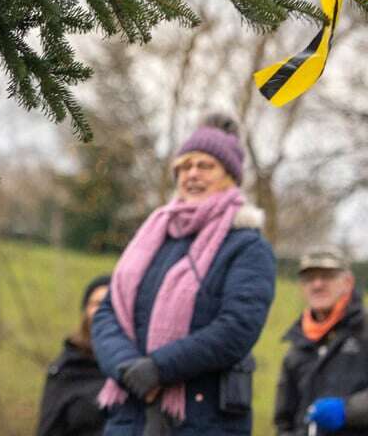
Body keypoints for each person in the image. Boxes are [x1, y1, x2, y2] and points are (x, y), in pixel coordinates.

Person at [91, 113, 276, 435]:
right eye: (184, 166)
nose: (192, 174)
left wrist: (159, 369)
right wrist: (129, 371)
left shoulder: (246, 246)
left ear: (230, 177)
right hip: (130, 416)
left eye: (205, 166)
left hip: (203, 421)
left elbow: (237, 328)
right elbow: (107, 312)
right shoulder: (151, 237)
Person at [275, 245, 368, 435]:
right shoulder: (296, 346)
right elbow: (284, 421)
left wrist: (348, 411)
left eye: (327, 276)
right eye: (309, 278)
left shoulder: (365, 330)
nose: (317, 284)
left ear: (348, 282)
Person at [35, 275, 111, 436]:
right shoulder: (66, 370)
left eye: (111, 304)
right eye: (97, 304)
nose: (103, 311)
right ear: (85, 312)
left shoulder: (136, 369)